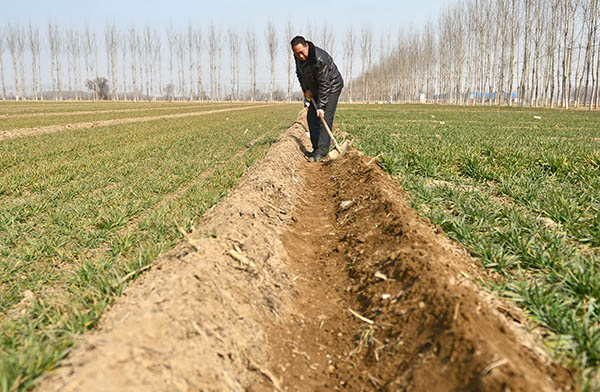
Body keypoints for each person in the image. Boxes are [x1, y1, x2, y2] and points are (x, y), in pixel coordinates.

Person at [291, 36, 344, 162]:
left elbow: (325, 83)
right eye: (297, 54)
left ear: (307, 46)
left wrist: (321, 106)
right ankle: (316, 149)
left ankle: (322, 151)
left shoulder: (320, 59)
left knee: (324, 117)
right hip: (315, 88)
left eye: (302, 52)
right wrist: (305, 89)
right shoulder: (298, 58)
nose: (300, 56)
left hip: (331, 87)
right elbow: (300, 74)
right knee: (311, 117)